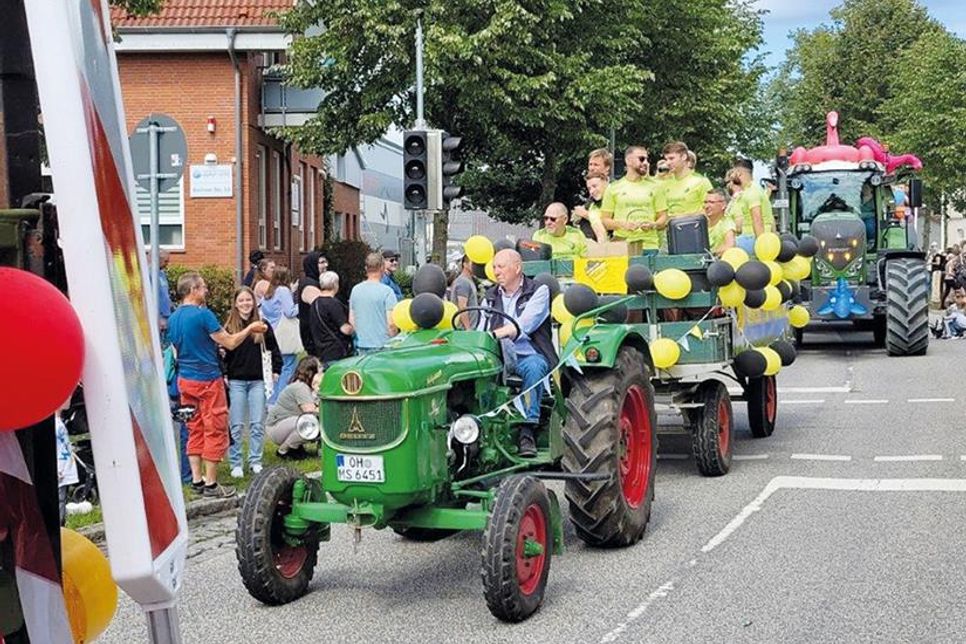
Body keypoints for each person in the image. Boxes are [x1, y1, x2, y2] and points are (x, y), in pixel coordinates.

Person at [167, 271, 267, 498]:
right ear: (193, 290)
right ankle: (211, 483)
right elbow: (230, 342)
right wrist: (250, 328)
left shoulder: (173, 318)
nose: (206, 291)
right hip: (207, 379)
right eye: (202, 287)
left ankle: (196, 479)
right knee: (215, 428)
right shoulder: (204, 316)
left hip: (185, 379)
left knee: (194, 427)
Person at [478, 249, 556, 458]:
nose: (496, 272)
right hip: (499, 355)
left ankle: (527, 429)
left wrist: (494, 335)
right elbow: (480, 329)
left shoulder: (538, 291)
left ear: (517, 268)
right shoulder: (490, 297)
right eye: (494, 267)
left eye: (501, 267)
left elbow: (525, 324)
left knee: (535, 367)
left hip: (528, 353)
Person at [223, 286, 282, 479]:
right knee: (237, 425)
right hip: (237, 380)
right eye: (241, 300)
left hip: (258, 380)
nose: (245, 304)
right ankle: (236, 462)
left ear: (254, 302)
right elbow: (222, 354)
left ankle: (255, 460)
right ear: (235, 303)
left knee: (257, 424)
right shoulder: (229, 327)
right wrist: (224, 373)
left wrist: (276, 370)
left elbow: (274, 349)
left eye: (248, 300)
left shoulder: (263, 326)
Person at [599, 146, 668, 252]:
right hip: (622, 245)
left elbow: (663, 217)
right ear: (628, 160)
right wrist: (623, 225)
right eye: (641, 159)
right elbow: (605, 221)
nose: (645, 163)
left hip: (649, 245)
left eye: (647, 159)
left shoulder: (656, 187)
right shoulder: (613, 188)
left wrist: (654, 225)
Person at [266, 356, 322, 459]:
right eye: (319, 368)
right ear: (311, 372)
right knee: (311, 422)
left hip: (286, 424)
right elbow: (311, 412)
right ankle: (283, 451)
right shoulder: (301, 387)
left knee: (310, 421)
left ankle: (296, 449)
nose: (321, 371)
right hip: (276, 427)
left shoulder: (304, 386)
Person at [259, 265, 299, 403]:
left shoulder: (269, 292)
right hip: (284, 333)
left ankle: (271, 398)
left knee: (274, 367)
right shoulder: (283, 290)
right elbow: (290, 311)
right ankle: (280, 399)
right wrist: (301, 306)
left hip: (272, 332)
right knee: (287, 366)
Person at [350, 252, 399, 354]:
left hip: (362, 345)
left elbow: (352, 320)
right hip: (383, 345)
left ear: (366, 268)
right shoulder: (387, 291)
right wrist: (394, 340)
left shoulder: (355, 290)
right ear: (382, 267)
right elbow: (391, 324)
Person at [309, 271, 355, 366]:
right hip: (336, 350)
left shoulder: (315, 303)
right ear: (335, 285)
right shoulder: (334, 304)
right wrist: (354, 328)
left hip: (321, 349)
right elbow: (344, 329)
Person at [662, 141, 714, 219]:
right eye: (666, 159)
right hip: (670, 230)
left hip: (694, 229)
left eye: (671, 158)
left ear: (684, 157)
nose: (668, 163)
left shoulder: (701, 182)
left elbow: (712, 210)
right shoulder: (664, 184)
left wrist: (682, 218)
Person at [730, 163, 775, 241]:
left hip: (752, 238)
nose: (731, 176)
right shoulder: (750, 190)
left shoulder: (752, 192)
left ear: (739, 173)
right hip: (749, 236)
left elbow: (757, 219)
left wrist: (760, 244)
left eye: (733, 173)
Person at [297, 251, 326, 356]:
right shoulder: (309, 284)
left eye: (325, 262)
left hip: (318, 334)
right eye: (321, 262)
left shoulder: (317, 282)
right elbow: (324, 306)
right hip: (313, 336)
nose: (325, 265)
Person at [571, 172, 610, 242]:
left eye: (595, 186)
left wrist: (586, 214)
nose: (592, 191)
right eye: (589, 188)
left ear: (605, 182)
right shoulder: (592, 201)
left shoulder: (617, 198)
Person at [449, 255, 479, 330]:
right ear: (465, 264)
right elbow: (462, 307)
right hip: (463, 330)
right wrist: (468, 329)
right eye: (473, 263)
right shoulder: (463, 282)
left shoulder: (469, 281)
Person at [703, 188, 737, 255]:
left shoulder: (727, 224)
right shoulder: (701, 224)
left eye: (711, 202)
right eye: (705, 202)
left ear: (723, 205)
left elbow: (730, 246)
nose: (706, 206)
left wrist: (711, 253)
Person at [156, 249, 172, 334]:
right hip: (159, 316)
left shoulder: (162, 274)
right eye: (165, 261)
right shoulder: (150, 274)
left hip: (167, 314)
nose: (167, 264)